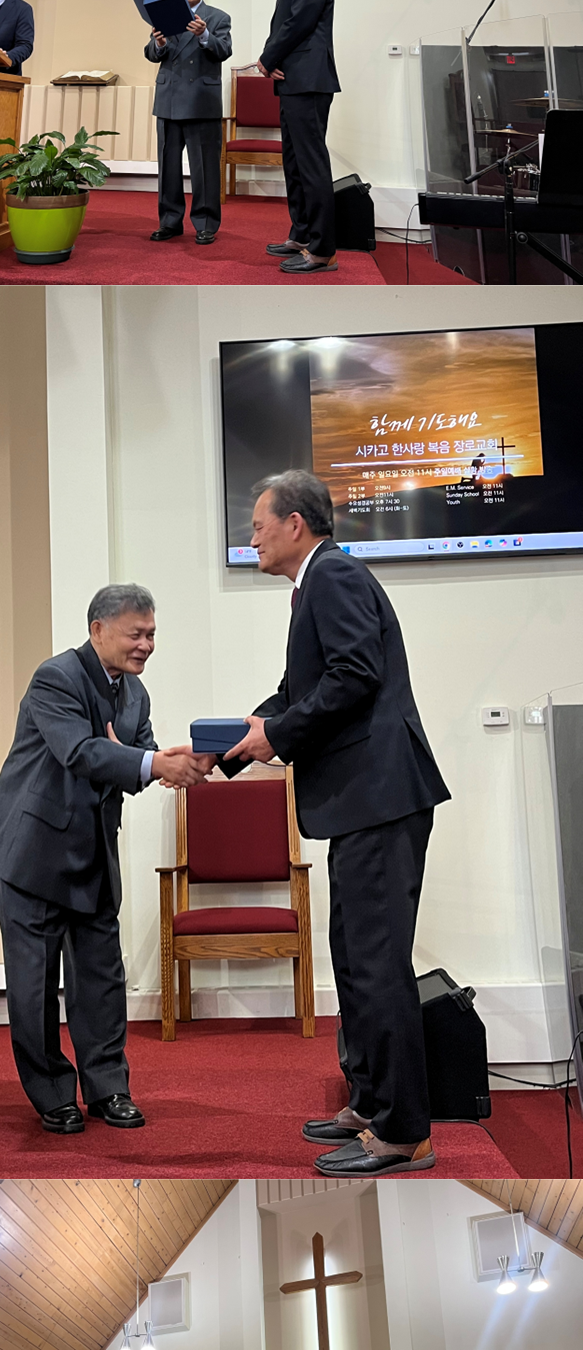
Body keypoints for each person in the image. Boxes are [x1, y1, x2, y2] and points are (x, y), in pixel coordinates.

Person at [224, 473, 449, 1171]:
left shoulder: (335, 576)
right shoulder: (316, 584)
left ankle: (404, 1132)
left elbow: (354, 676)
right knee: (354, 958)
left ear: (295, 524)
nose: (252, 537)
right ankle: (371, 1102)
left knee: (377, 964)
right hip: (362, 802)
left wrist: (278, 733)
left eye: (258, 524)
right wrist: (228, 745)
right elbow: (298, 693)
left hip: (379, 796)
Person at [0, 582, 209, 1133]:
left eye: (152, 634)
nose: (146, 645)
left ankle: (109, 1090)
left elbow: (136, 761)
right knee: (35, 986)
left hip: (92, 854)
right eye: (136, 634)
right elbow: (81, 752)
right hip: (33, 857)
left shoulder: (136, 694)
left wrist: (171, 761)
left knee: (101, 979)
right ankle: (52, 1095)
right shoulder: (56, 678)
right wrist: (145, 761)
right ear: (98, 630)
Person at [257, 0, 340, 277]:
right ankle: (302, 235)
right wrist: (274, 60)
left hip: (309, 81)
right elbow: (286, 24)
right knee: (294, 163)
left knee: (311, 165)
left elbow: (299, 22)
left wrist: (267, 58)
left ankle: (322, 251)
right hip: (293, 80)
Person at [146, 0, 232, 246]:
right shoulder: (165, 15)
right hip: (169, 100)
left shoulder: (218, 17)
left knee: (205, 168)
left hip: (201, 102)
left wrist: (204, 36)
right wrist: (159, 44)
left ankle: (206, 224)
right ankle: (169, 222)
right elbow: (151, 53)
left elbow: (224, 50)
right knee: (168, 167)